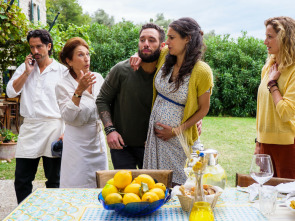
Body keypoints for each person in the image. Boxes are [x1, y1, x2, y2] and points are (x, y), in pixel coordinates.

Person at [143, 17, 213, 186]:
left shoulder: (201, 70)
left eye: (171, 37)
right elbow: (146, 55)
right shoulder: (166, 55)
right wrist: (136, 57)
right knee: (157, 183)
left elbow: (203, 109)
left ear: (187, 38)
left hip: (179, 140)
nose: (166, 42)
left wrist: (176, 131)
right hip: (156, 138)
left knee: (182, 185)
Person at [6, 29, 66, 204]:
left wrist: (66, 131)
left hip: (54, 127)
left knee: (54, 180)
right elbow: (11, 91)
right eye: (32, 47)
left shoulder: (61, 71)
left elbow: (69, 104)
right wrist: (27, 72)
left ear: (48, 46)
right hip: (30, 127)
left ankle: (55, 214)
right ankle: (25, 214)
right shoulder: (24, 68)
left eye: (39, 46)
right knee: (22, 179)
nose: (35, 51)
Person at [96, 23, 166, 169]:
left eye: (152, 40)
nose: (146, 44)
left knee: (154, 189)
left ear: (162, 46)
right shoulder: (121, 70)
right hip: (122, 146)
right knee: (124, 190)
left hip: (155, 146)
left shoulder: (167, 74)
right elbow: (102, 99)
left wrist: (195, 119)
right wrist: (110, 130)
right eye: (142, 40)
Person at [56, 37, 108, 188]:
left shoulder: (97, 78)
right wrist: (79, 90)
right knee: (76, 186)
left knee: (101, 186)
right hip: (77, 145)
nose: (86, 58)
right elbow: (68, 117)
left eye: (87, 54)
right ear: (69, 61)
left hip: (97, 143)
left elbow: (105, 106)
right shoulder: (62, 84)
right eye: (80, 55)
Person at [255, 16, 295, 179]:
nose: (265, 41)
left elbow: (286, 112)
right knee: (265, 195)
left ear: (285, 39)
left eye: (270, 37)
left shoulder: (293, 71)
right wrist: (258, 142)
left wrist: (273, 85)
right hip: (265, 145)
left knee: (286, 200)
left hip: (287, 147)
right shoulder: (268, 67)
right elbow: (261, 108)